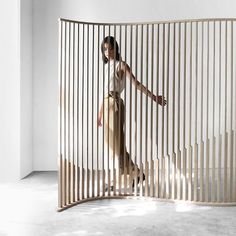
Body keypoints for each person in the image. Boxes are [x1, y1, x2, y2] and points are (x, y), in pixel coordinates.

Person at [97, 36, 166, 190]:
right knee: (111, 146)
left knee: (116, 146)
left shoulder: (121, 65)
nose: (108, 52)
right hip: (106, 105)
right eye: (105, 49)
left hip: (114, 105)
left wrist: (154, 97)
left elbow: (136, 84)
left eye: (110, 48)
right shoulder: (105, 67)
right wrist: (100, 114)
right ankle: (135, 174)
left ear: (116, 48)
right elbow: (103, 92)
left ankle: (115, 180)